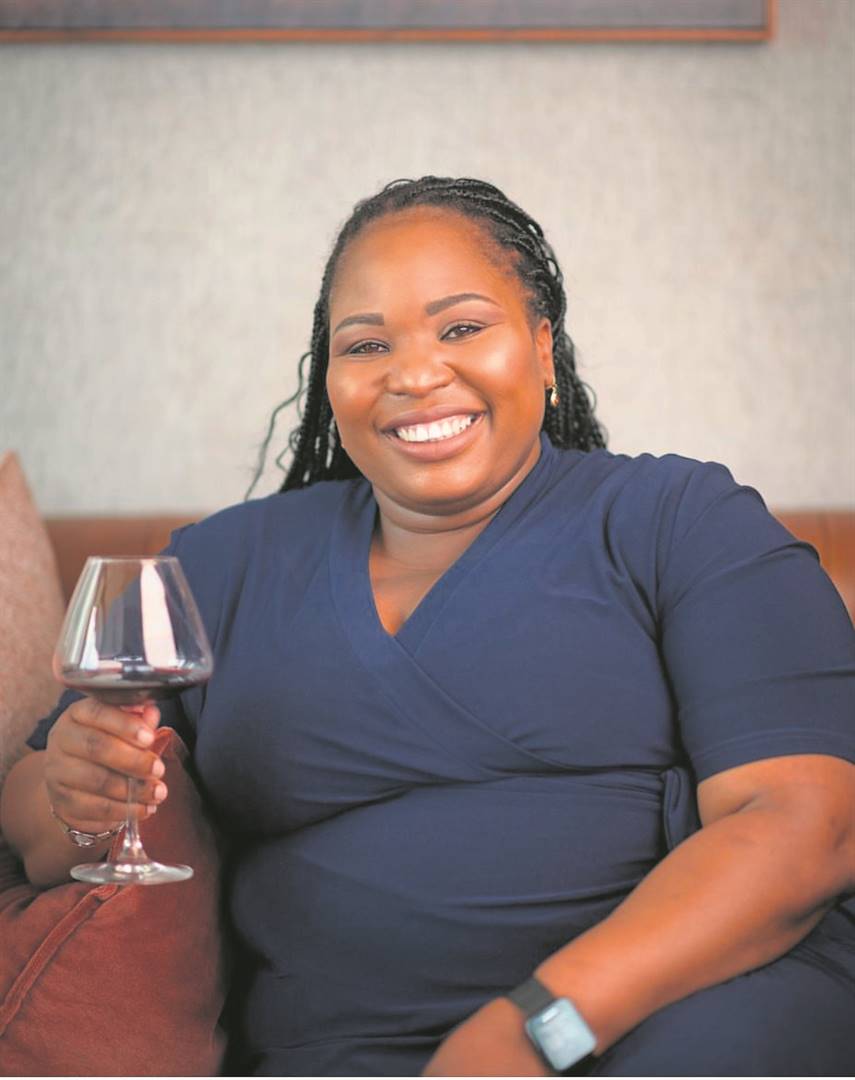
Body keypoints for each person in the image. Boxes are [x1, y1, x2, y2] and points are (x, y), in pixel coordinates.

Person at [2, 177, 854, 1077]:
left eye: (461, 328)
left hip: (671, 1024)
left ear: (542, 347)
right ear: (329, 380)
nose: (412, 375)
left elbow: (806, 823)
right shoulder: (221, 565)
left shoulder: (680, 522)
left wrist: (536, 1030)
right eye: (366, 344)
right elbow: (32, 819)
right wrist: (72, 790)